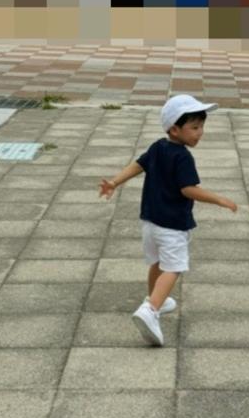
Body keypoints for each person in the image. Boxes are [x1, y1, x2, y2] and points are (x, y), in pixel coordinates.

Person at [98, 94, 238, 346]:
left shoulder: (157, 147)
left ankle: (155, 299)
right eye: (194, 127)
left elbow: (138, 165)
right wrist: (219, 200)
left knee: (158, 263)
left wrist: (114, 182)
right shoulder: (183, 157)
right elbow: (188, 189)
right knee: (173, 268)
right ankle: (150, 310)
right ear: (174, 129)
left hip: (150, 222)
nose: (200, 132)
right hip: (172, 225)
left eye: (202, 126)